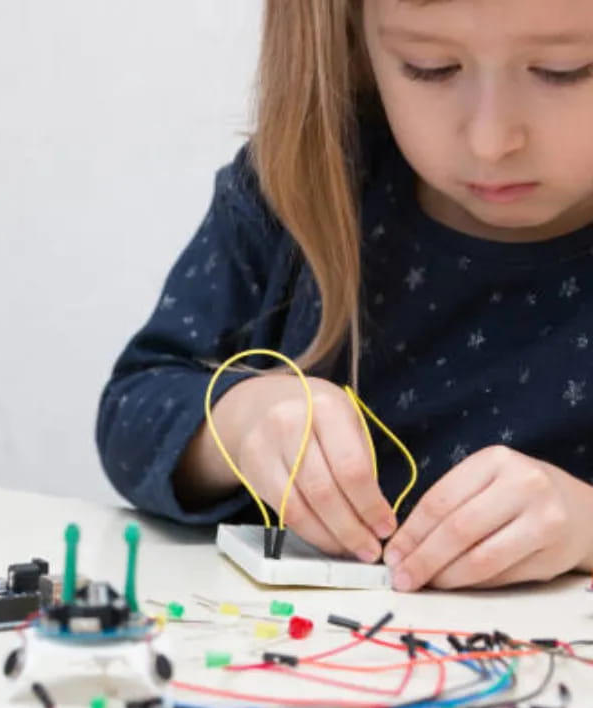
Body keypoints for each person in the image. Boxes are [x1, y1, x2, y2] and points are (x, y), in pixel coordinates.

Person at [96, 0, 593, 592]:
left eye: (565, 70)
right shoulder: (301, 186)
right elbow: (133, 412)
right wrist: (240, 422)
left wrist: (586, 528)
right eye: (429, 67)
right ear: (356, 40)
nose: (491, 141)